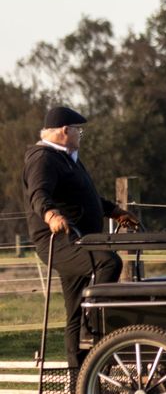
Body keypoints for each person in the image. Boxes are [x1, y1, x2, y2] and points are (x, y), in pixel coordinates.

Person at [22, 106, 139, 368]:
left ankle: (80, 380)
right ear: (65, 130)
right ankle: (97, 323)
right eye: (78, 130)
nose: (80, 135)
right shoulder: (43, 158)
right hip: (60, 242)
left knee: (74, 311)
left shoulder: (67, 158)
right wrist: (51, 215)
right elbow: (38, 193)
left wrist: (114, 211)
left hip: (80, 240)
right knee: (108, 262)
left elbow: (83, 196)